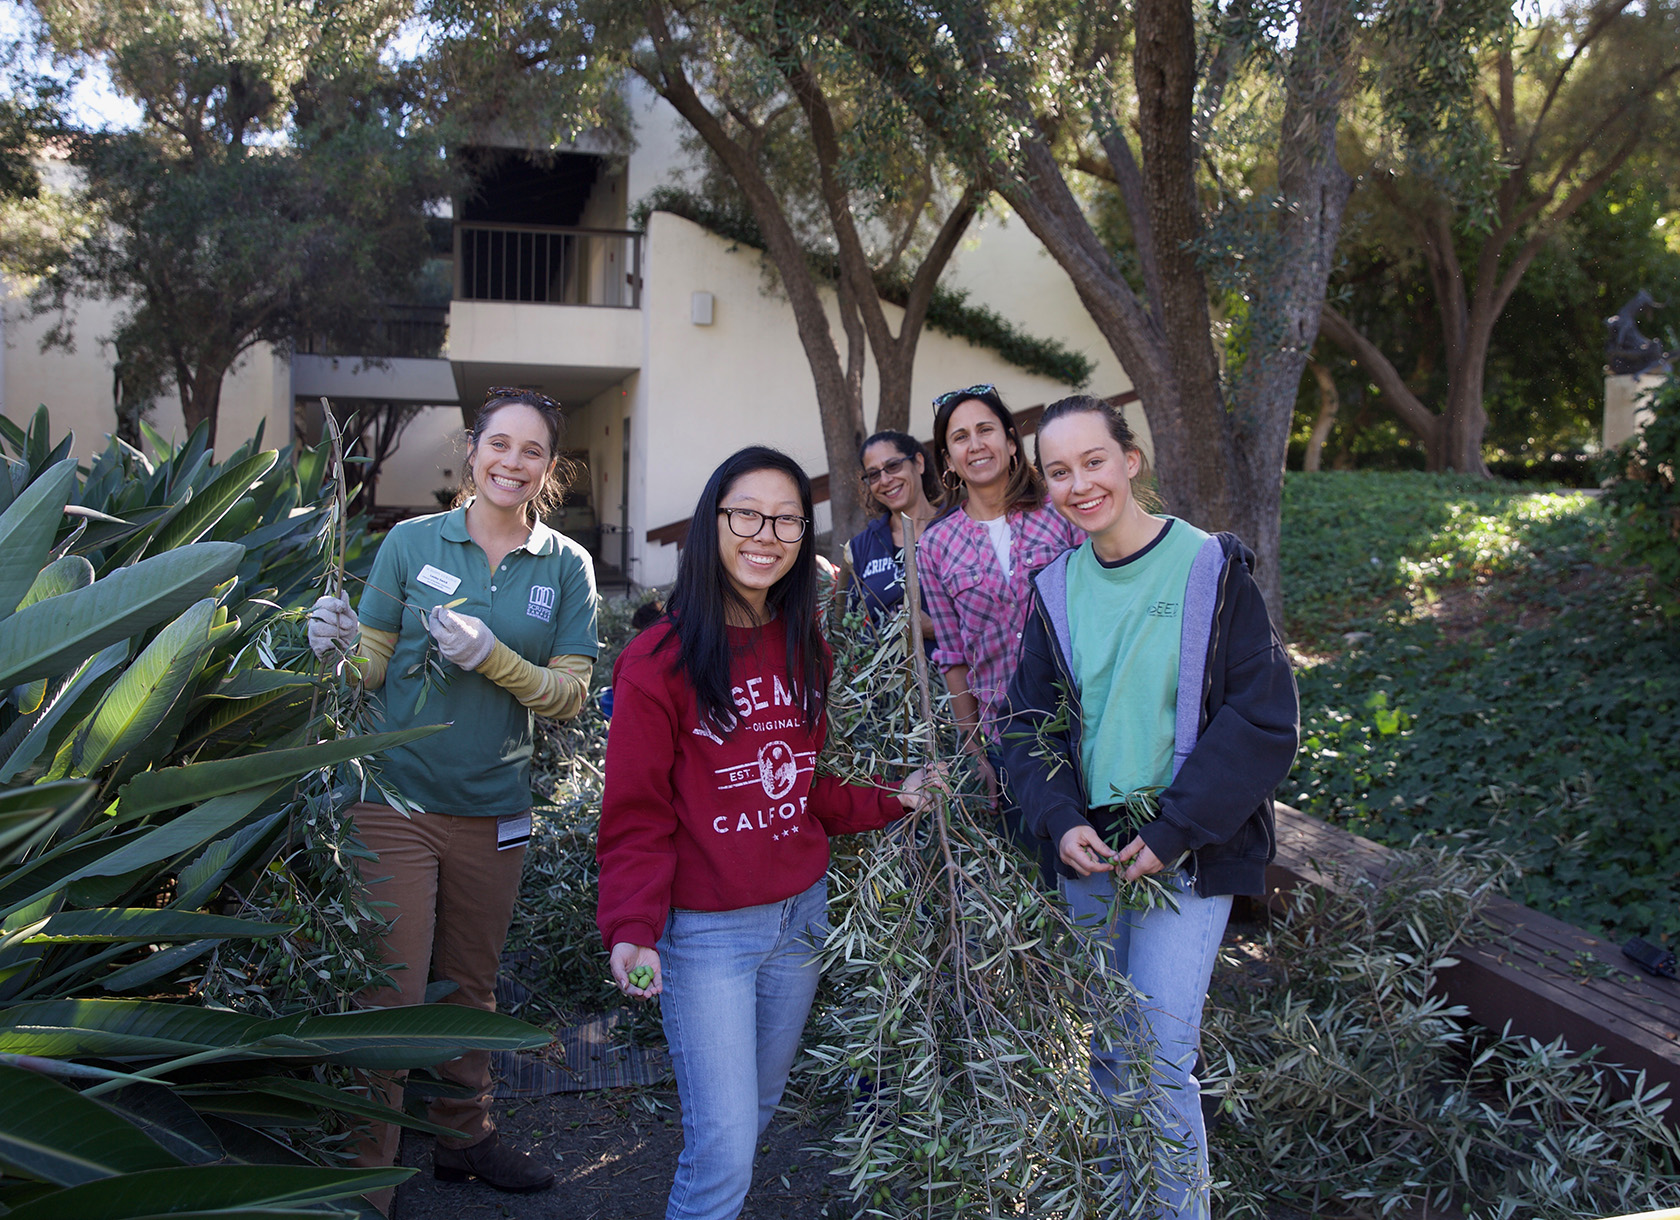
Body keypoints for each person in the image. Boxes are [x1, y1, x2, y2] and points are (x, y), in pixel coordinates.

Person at [595, 446, 937, 1220]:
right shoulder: (657, 661)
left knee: (757, 1112)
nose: (766, 533)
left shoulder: (803, 644)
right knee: (719, 1153)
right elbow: (636, 817)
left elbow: (807, 788)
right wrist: (632, 927)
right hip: (709, 935)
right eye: (746, 513)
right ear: (713, 520)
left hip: (800, 923)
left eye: (786, 518)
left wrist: (897, 797)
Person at [998, 394, 1298, 1219]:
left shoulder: (1209, 568)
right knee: (1111, 1056)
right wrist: (1062, 822)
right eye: (1058, 471)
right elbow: (1025, 727)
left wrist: (1170, 834)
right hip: (1093, 850)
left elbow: (1263, 719)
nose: (1079, 483)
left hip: (1186, 849)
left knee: (1161, 1056)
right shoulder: (1055, 588)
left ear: (1131, 462)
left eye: (1093, 461)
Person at [306, 388, 600, 1212]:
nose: (512, 462)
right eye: (498, 444)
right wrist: (331, 647)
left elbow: (572, 695)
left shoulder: (565, 566)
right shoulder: (409, 542)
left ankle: (463, 1139)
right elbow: (370, 661)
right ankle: (369, 1170)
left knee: (470, 986)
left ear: (550, 468)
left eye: (532, 451)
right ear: (473, 451)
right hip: (393, 799)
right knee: (390, 990)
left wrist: (493, 656)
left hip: (494, 806)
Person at [916, 384, 1080, 874]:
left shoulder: (1062, 513)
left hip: (1083, 728)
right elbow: (952, 657)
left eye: (985, 429)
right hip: (1007, 743)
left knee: (1103, 885)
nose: (976, 444)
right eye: (960, 437)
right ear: (948, 459)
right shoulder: (935, 546)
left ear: (1011, 441)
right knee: (1040, 890)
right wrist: (975, 755)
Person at [843, 429, 941, 630]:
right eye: (874, 475)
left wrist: (935, 628)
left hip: (953, 660)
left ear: (919, 463)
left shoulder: (956, 528)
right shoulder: (862, 547)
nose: (885, 480)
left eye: (893, 466)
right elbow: (852, 626)